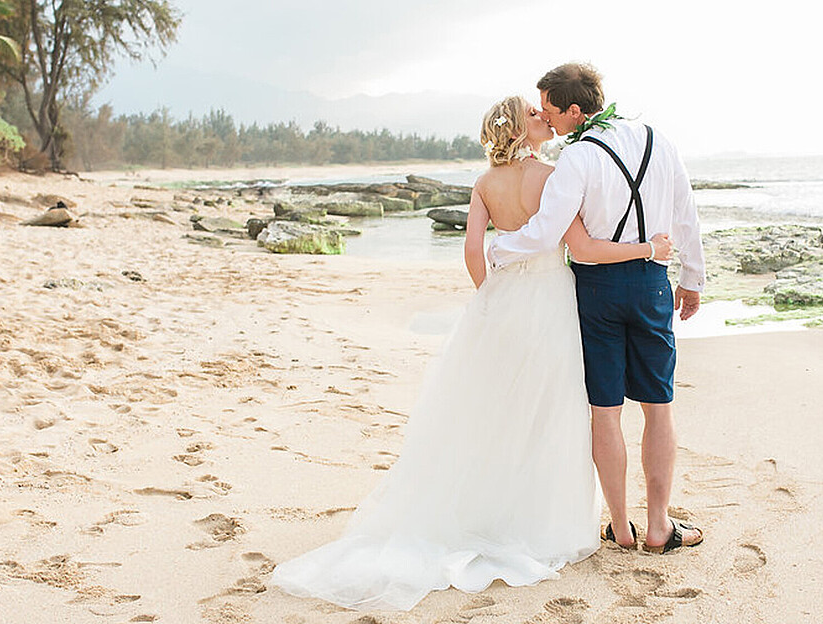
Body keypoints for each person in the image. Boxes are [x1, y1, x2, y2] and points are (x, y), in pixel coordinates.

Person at [269, 95, 673, 611]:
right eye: (534, 113)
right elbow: (579, 245)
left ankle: (494, 509)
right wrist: (643, 249)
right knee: (552, 412)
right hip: (552, 299)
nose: (543, 118)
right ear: (520, 129)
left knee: (496, 412)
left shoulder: (484, 184)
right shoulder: (551, 177)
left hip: (503, 301)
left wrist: (492, 299)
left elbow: (472, 251)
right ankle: (541, 519)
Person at [488, 63, 707, 554]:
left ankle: (623, 529)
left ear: (573, 109)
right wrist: (692, 278)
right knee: (658, 407)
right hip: (651, 283)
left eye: (549, 110)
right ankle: (659, 527)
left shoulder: (576, 158)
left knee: (604, 412)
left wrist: (499, 252)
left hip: (596, 292)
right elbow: (685, 212)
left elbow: (548, 231)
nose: (546, 119)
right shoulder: (658, 139)